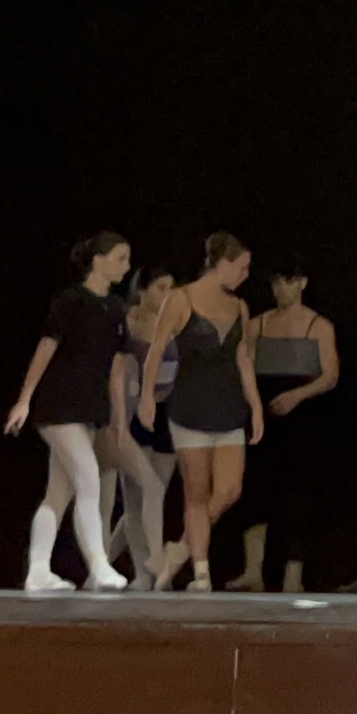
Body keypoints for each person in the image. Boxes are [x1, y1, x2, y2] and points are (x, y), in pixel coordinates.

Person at [5, 232, 136, 593]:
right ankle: (99, 564)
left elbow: (116, 369)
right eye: (120, 258)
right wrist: (25, 399)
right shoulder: (71, 301)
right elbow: (46, 347)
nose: (126, 266)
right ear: (99, 260)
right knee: (88, 477)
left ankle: (38, 570)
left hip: (89, 407)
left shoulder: (115, 309)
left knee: (58, 492)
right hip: (59, 405)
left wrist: (119, 416)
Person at [139, 232, 264, 591]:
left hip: (229, 407)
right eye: (242, 267)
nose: (245, 274)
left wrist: (256, 407)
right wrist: (147, 396)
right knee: (196, 493)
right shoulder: (181, 299)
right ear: (222, 263)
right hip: (191, 407)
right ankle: (201, 571)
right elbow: (156, 349)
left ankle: (179, 549)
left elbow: (243, 360)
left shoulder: (239, 307)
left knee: (229, 490)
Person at [228, 260, 341, 592]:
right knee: (256, 491)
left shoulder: (318, 326)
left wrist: (297, 396)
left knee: (298, 496)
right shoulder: (258, 324)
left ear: (302, 283)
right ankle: (253, 569)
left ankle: (293, 576)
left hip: (303, 420)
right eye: (276, 282)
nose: (281, 289)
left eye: (288, 281)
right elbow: (244, 368)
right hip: (263, 418)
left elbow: (330, 375)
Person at [102, 267, 179, 585]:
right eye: (161, 288)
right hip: (134, 413)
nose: (167, 295)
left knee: (154, 496)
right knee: (137, 497)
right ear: (142, 291)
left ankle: (106, 561)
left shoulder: (173, 321)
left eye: (171, 288)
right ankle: (146, 572)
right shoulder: (128, 324)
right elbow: (117, 372)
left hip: (166, 414)